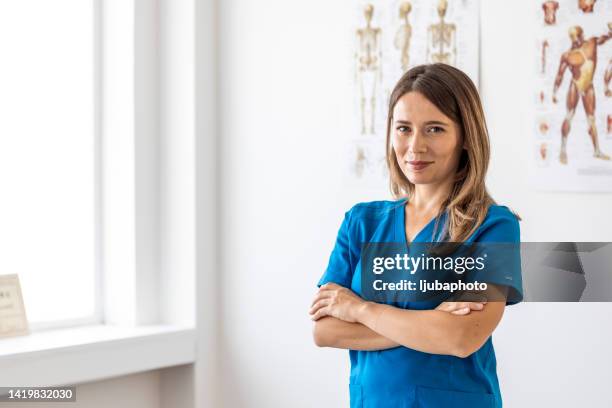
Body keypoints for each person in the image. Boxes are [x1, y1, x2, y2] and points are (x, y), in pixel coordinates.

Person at [309, 63, 523, 408]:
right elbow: (326, 331)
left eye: (435, 129)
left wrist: (359, 308)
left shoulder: (493, 227)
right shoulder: (361, 222)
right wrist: (428, 323)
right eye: (404, 128)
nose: (415, 146)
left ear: (466, 137)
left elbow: (462, 336)